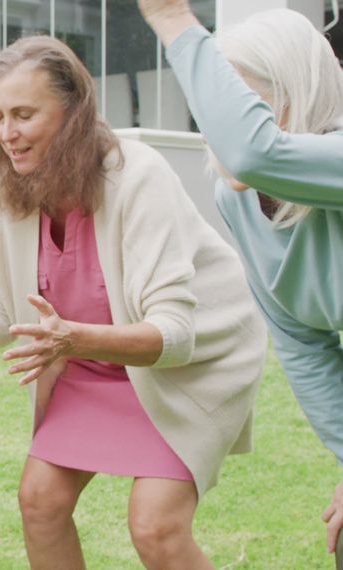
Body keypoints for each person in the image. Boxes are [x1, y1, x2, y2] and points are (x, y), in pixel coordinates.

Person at [0, 36, 266, 569]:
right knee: (39, 501)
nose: (7, 134)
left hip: (188, 368)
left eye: (24, 114)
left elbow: (174, 335)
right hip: (90, 366)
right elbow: (2, 315)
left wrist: (72, 338)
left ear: (75, 110)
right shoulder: (15, 191)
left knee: (155, 526)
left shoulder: (137, 175)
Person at [138, 0, 343, 555]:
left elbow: (254, 153)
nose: (218, 130)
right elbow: (304, 344)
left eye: (241, 106)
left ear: (297, 97)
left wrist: (171, 18)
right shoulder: (237, 204)